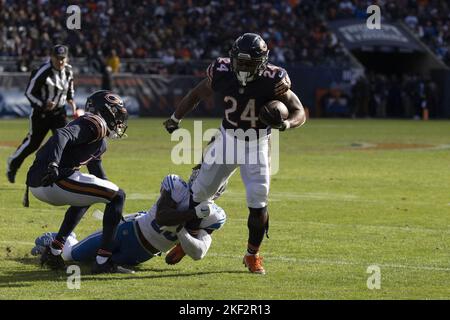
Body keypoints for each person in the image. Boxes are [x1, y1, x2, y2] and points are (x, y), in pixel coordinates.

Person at [163, 33, 306, 274]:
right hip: (227, 139)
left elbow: (298, 110)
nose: (243, 68)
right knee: (198, 193)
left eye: (249, 63)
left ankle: (252, 255)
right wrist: (176, 117)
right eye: (240, 62)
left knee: (258, 202)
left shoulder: (274, 78)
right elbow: (197, 93)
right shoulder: (221, 70)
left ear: (262, 63)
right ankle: (189, 239)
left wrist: (286, 124)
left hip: (257, 144)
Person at [25, 90, 130, 274]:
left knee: (92, 195)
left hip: (42, 180)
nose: (119, 121)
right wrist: (54, 164)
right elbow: (62, 134)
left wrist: (113, 204)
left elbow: (97, 176)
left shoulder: (101, 140)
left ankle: (54, 250)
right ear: (105, 111)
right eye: (116, 114)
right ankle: (102, 261)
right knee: (118, 195)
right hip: (51, 178)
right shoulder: (95, 123)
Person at [31, 172, 226, 271]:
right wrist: (191, 214)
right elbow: (162, 217)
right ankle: (58, 240)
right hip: (126, 232)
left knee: (96, 267)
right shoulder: (177, 185)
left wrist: (183, 231)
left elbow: (198, 253)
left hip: (143, 254)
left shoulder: (215, 216)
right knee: (71, 256)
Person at [7, 45, 78, 184]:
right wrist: (44, 103)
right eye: (58, 58)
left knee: (65, 142)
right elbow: (29, 93)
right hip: (41, 114)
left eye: (63, 58)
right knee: (33, 144)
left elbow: (69, 88)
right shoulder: (43, 71)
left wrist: (71, 100)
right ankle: (12, 165)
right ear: (51, 57)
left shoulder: (68, 70)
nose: (61, 62)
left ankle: (64, 174)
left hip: (59, 113)